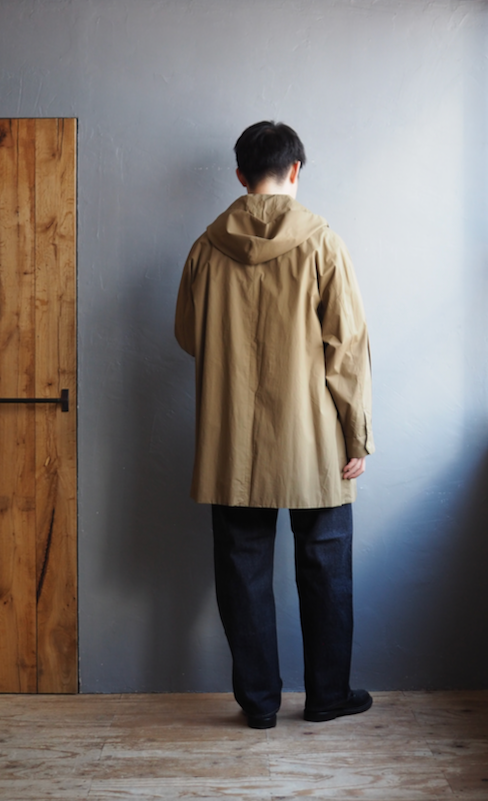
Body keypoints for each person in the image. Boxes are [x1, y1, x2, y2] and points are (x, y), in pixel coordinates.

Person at [175, 121, 375, 728]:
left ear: (241, 175)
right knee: (326, 568)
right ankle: (327, 696)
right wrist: (357, 434)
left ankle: (259, 704)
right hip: (314, 440)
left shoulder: (206, 247)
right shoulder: (322, 243)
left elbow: (188, 336)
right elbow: (346, 348)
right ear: (295, 170)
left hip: (231, 438)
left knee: (242, 571)